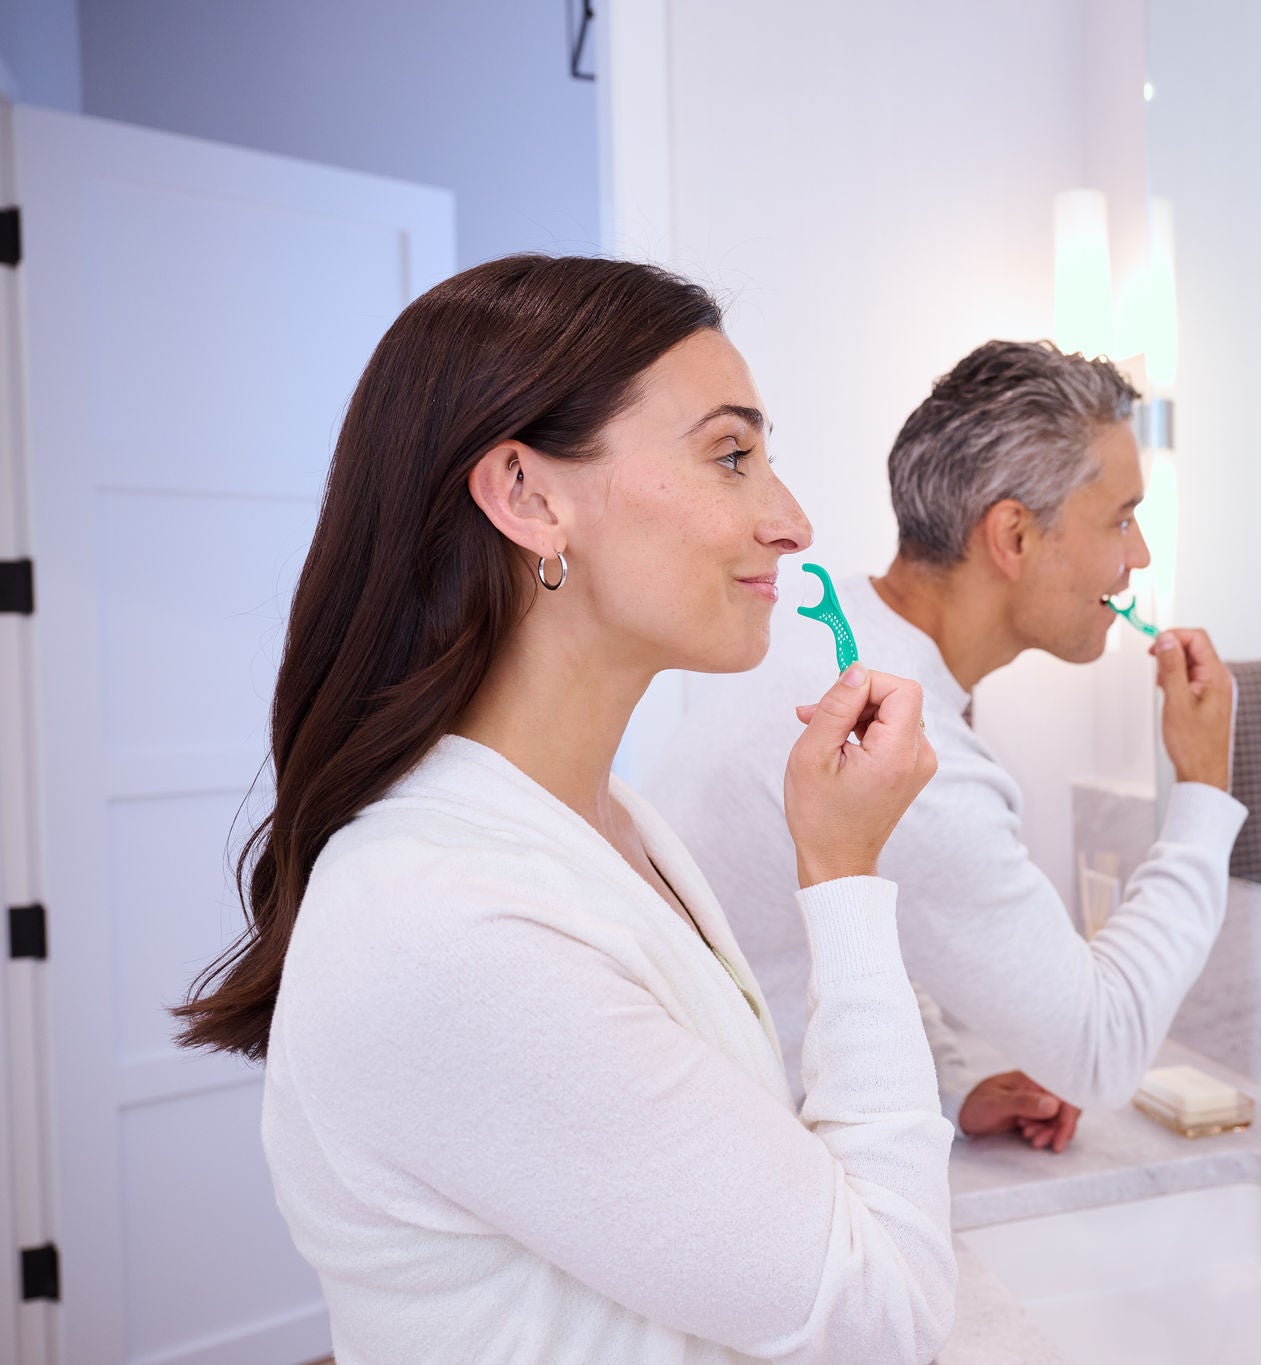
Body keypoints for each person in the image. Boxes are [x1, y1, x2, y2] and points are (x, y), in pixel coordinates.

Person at [175, 256, 956, 1363]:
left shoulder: (612, 829)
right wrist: (843, 878)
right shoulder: (446, 921)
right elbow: (883, 1324)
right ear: (530, 498)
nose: (789, 520)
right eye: (731, 456)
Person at [648, 340, 1245, 1151]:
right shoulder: (912, 748)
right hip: (744, 1166)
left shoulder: (830, 629)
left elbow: (862, 915)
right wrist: (1205, 786)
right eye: (1122, 519)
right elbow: (1102, 1052)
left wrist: (952, 1082)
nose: (1137, 556)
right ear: (1014, 538)